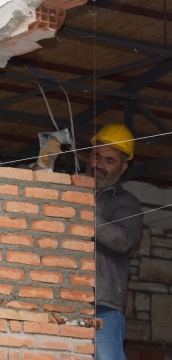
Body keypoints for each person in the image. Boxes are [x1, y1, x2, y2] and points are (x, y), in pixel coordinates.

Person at [89, 124, 144, 360]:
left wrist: (83, 212)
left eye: (109, 161)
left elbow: (122, 241)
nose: (99, 165)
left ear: (123, 168)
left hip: (104, 307)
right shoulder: (73, 188)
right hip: (68, 302)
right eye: (96, 156)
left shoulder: (126, 202)